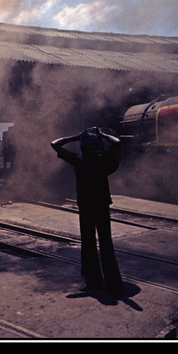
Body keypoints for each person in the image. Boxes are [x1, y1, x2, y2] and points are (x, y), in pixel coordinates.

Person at [50, 127, 123, 297]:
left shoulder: (78, 160)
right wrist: (102, 134)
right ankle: (113, 283)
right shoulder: (103, 161)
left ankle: (92, 282)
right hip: (102, 206)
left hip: (86, 207)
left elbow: (55, 144)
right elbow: (117, 143)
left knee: (88, 244)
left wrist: (75, 136)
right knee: (106, 244)